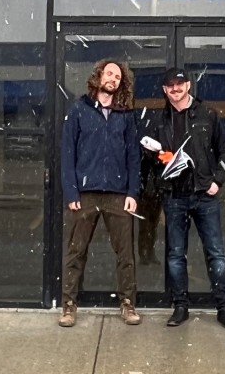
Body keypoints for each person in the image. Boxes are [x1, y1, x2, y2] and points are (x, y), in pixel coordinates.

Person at [144, 67, 225, 329]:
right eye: (170, 86)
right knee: (175, 256)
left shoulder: (207, 114)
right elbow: (150, 160)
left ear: (188, 86)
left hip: (204, 197)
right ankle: (180, 306)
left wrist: (217, 181)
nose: (175, 89)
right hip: (174, 197)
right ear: (164, 90)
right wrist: (158, 158)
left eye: (180, 84)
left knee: (216, 255)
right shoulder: (159, 120)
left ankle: (224, 308)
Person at [58, 59, 142, 328]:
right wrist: (71, 190)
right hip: (85, 194)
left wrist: (133, 192)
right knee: (76, 251)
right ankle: (69, 305)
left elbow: (133, 156)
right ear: (98, 77)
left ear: (121, 83)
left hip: (118, 195)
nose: (113, 79)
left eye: (118, 76)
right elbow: (67, 154)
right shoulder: (79, 111)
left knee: (125, 254)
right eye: (109, 73)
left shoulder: (125, 115)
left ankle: (127, 303)